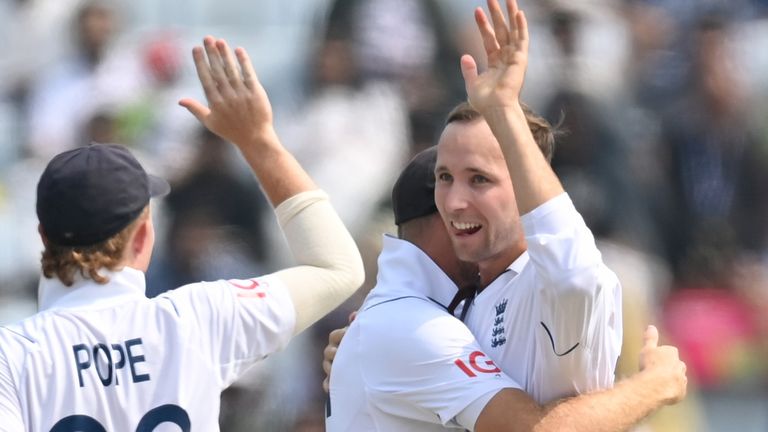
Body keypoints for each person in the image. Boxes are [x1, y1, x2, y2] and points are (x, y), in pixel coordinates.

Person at [325, 1, 669, 430]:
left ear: (526, 189)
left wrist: (656, 386)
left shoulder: (556, 284)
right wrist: (368, 347)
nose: (452, 201)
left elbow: (573, 272)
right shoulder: (457, 304)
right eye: (445, 177)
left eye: (479, 180)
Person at [0, 36, 364, 431]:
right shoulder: (198, 319)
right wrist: (258, 141)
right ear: (142, 237)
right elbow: (337, 267)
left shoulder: (11, 356)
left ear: (44, 237)